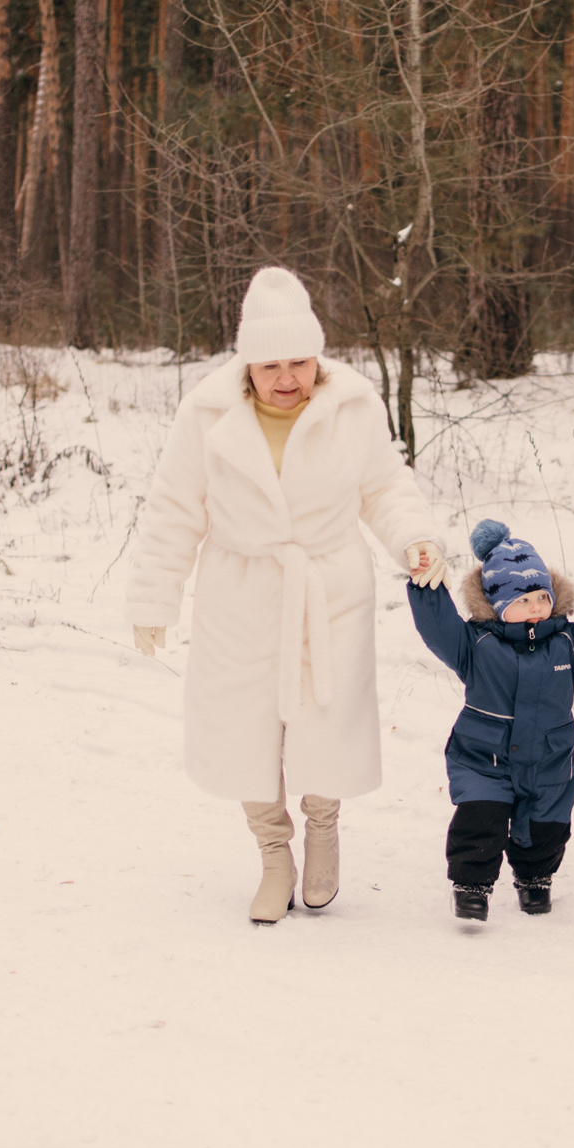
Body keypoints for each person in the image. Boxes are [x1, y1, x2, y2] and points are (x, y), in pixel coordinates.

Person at [128, 266, 447, 924]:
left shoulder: (352, 405)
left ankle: (323, 829)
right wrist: (155, 596)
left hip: (328, 589)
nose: (286, 378)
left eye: (299, 362)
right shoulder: (207, 413)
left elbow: (385, 486)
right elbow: (175, 508)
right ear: (247, 363)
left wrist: (415, 539)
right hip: (239, 590)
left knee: (327, 719)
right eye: (270, 365)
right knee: (243, 729)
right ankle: (274, 854)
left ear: (316, 356)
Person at [407, 518, 574, 921]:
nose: (536, 607)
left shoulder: (567, 641)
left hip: (549, 759)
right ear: (498, 605)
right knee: (480, 819)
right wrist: (427, 590)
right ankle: (471, 886)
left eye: (542, 597)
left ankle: (535, 879)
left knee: (546, 825)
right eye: (523, 600)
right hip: (484, 757)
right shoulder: (476, 644)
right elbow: (439, 628)